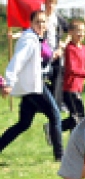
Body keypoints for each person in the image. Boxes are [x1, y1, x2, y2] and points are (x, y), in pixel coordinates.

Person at [0, 10, 64, 161]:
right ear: (31, 23)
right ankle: (60, 156)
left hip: (32, 86)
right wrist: (8, 82)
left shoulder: (38, 38)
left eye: (43, 22)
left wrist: (54, 54)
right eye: (38, 22)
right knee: (55, 115)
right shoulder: (29, 40)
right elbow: (18, 61)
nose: (41, 25)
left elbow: (39, 60)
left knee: (23, 124)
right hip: (34, 87)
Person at [60, 20, 85, 132]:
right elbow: (72, 70)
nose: (81, 34)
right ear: (70, 32)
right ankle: (53, 128)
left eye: (83, 31)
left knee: (78, 117)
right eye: (78, 31)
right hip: (69, 88)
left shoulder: (83, 48)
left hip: (78, 87)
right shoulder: (69, 49)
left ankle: (74, 142)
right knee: (78, 117)